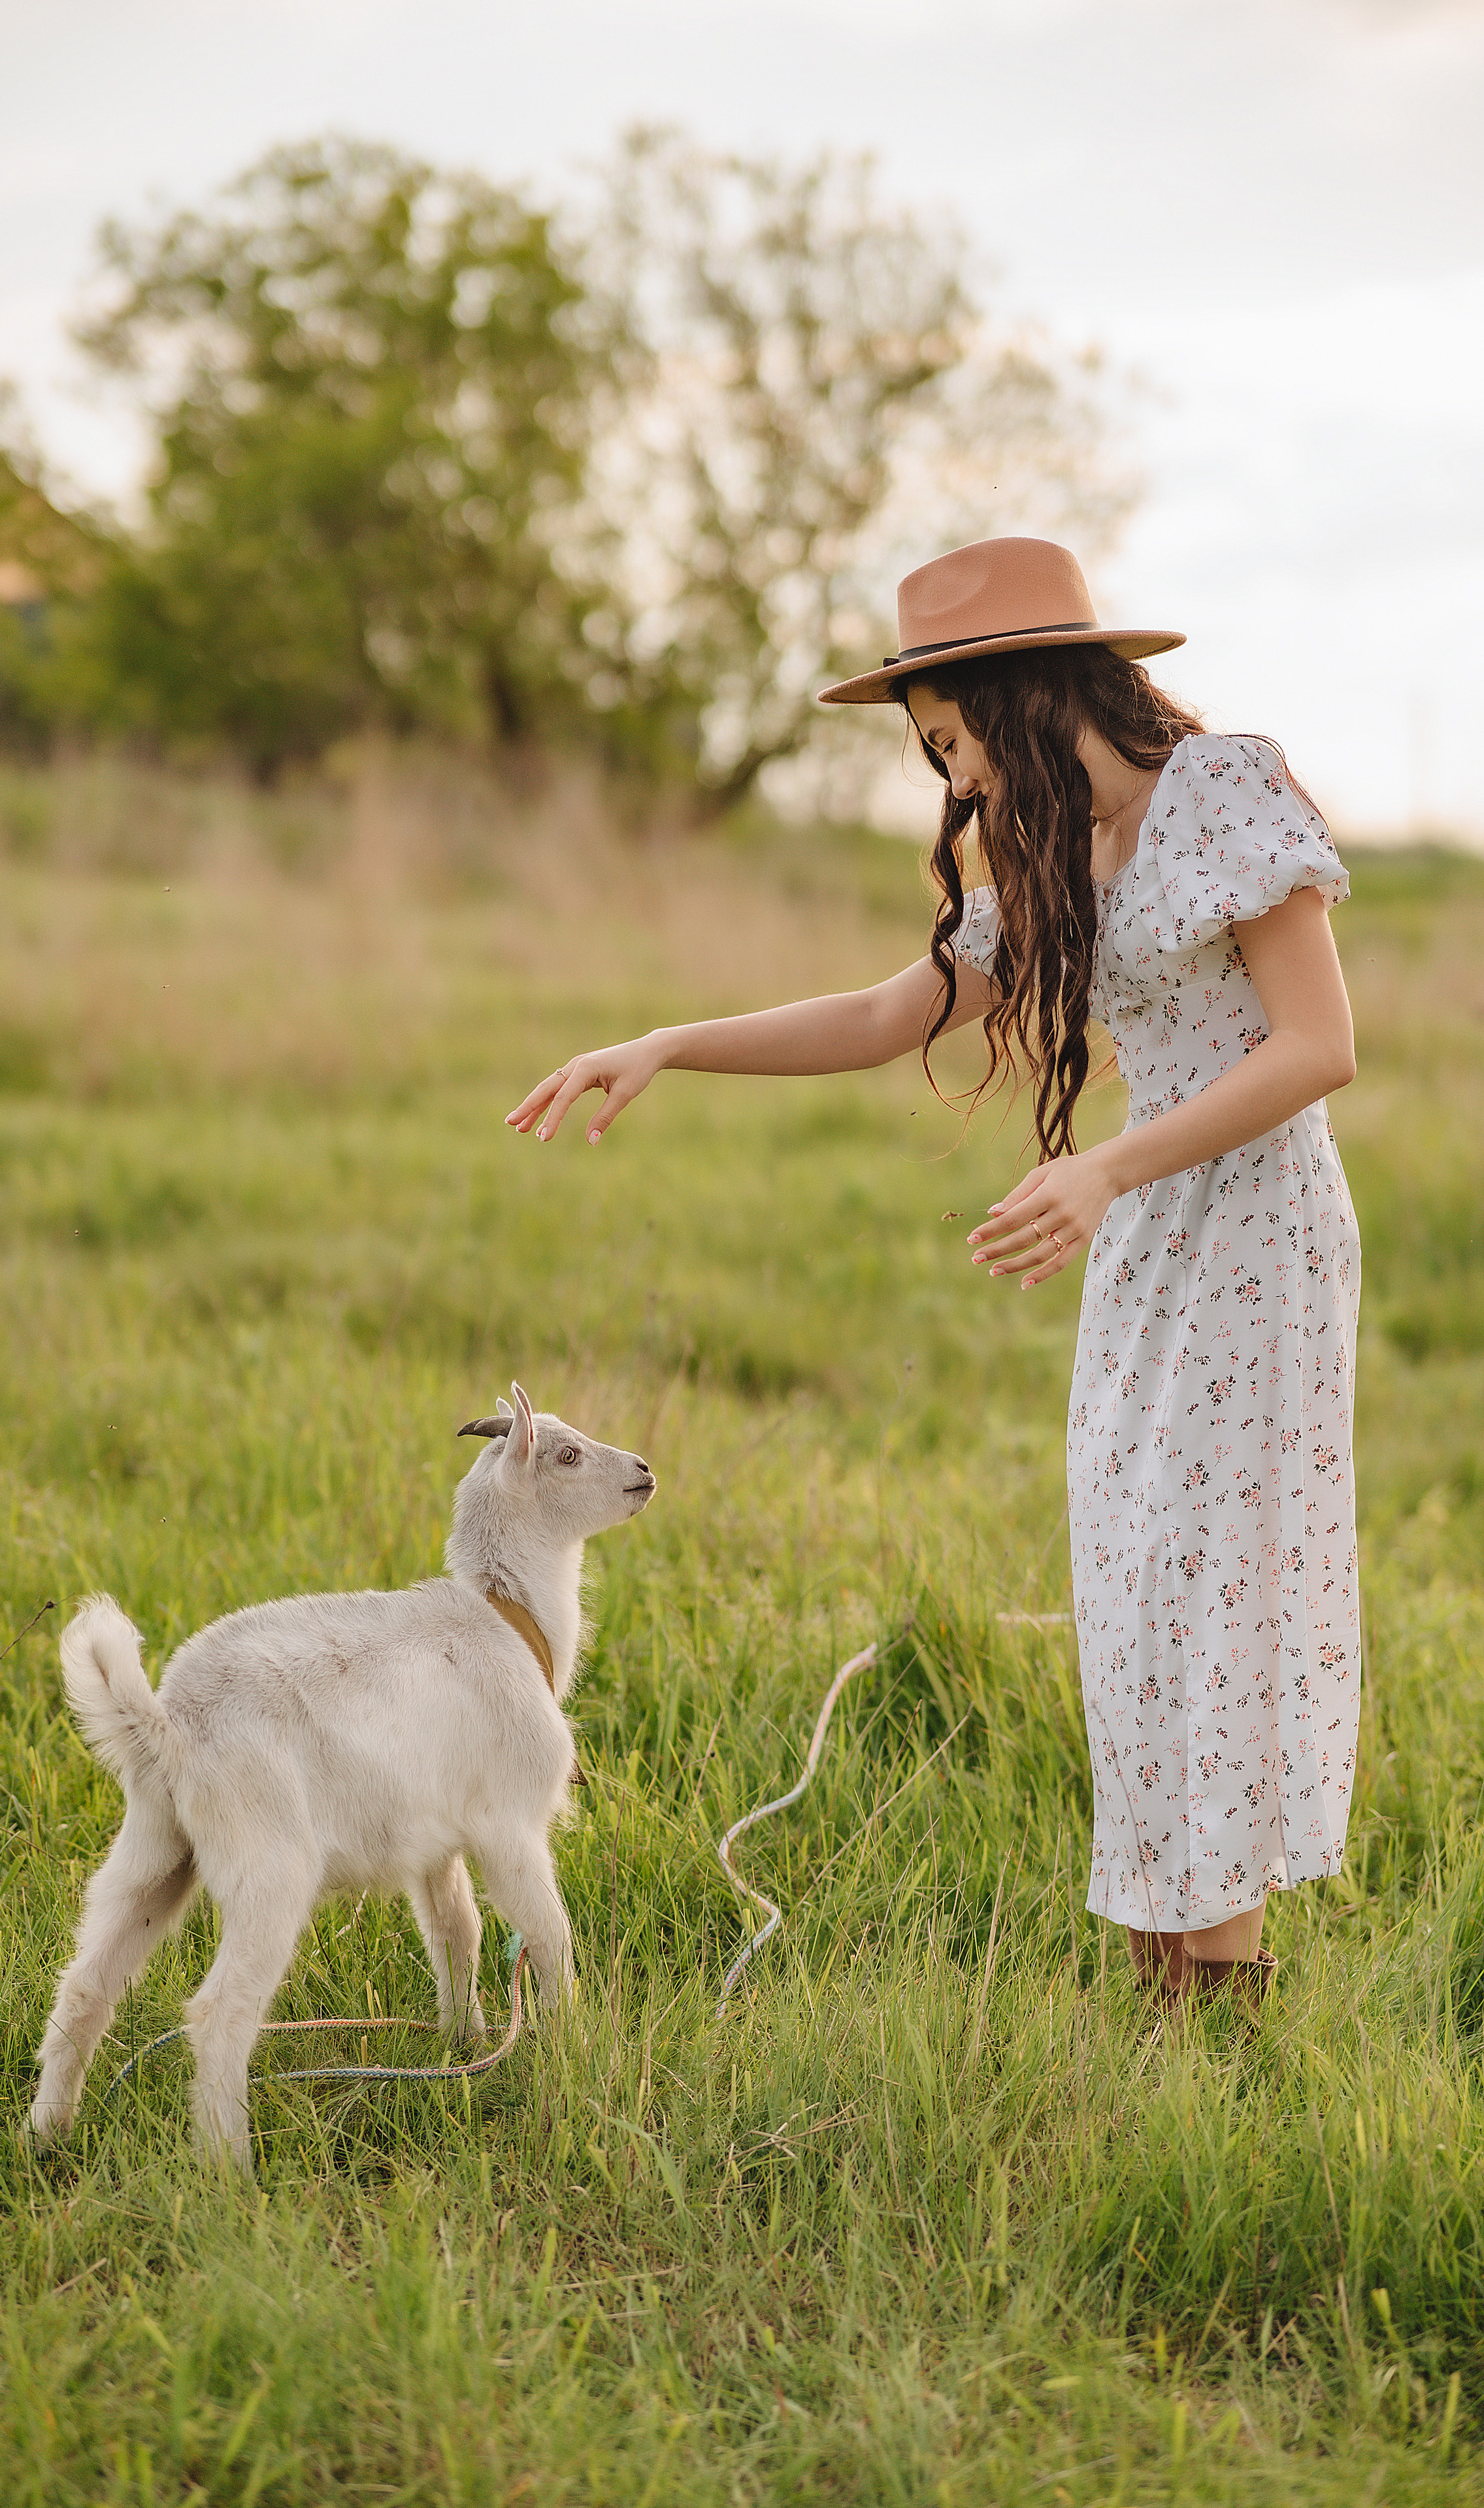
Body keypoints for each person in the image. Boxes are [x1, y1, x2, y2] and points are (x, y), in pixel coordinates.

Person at [506, 537, 1360, 2008]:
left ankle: (1220, 1998)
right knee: (1133, 1582)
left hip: (1253, 1234)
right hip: (1147, 1231)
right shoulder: (1049, 851)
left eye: (954, 743)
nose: (954, 783)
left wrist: (1102, 1165)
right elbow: (884, 1009)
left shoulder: (1222, 792)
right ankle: (1171, 1967)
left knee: (1213, 1588)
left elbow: (1315, 1047)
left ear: (1023, 694)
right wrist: (665, 1042)